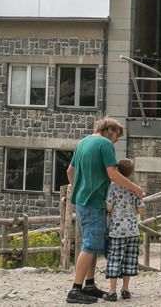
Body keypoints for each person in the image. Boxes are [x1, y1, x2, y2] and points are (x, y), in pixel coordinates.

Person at [66, 117, 145, 304]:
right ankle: (75, 290)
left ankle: (90, 285)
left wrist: (80, 189)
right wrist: (135, 188)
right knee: (90, 244)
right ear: (110, 130)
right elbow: (113, 173)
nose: (116, 141)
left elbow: (70, 171)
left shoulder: (83, 142)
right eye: (117, 136)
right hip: (94, 202)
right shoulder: (104, 143)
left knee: (91, 244)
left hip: (81, 201)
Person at [103, 158, 143, 301]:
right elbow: (140, 210)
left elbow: (108, 207)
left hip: (117, 230)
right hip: (132, 230)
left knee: (114, 259)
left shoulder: (112, 186)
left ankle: (112, 292)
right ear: (131, 173)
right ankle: (125, 290)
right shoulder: (135, 188)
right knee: (129, 260)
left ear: (117, 170)